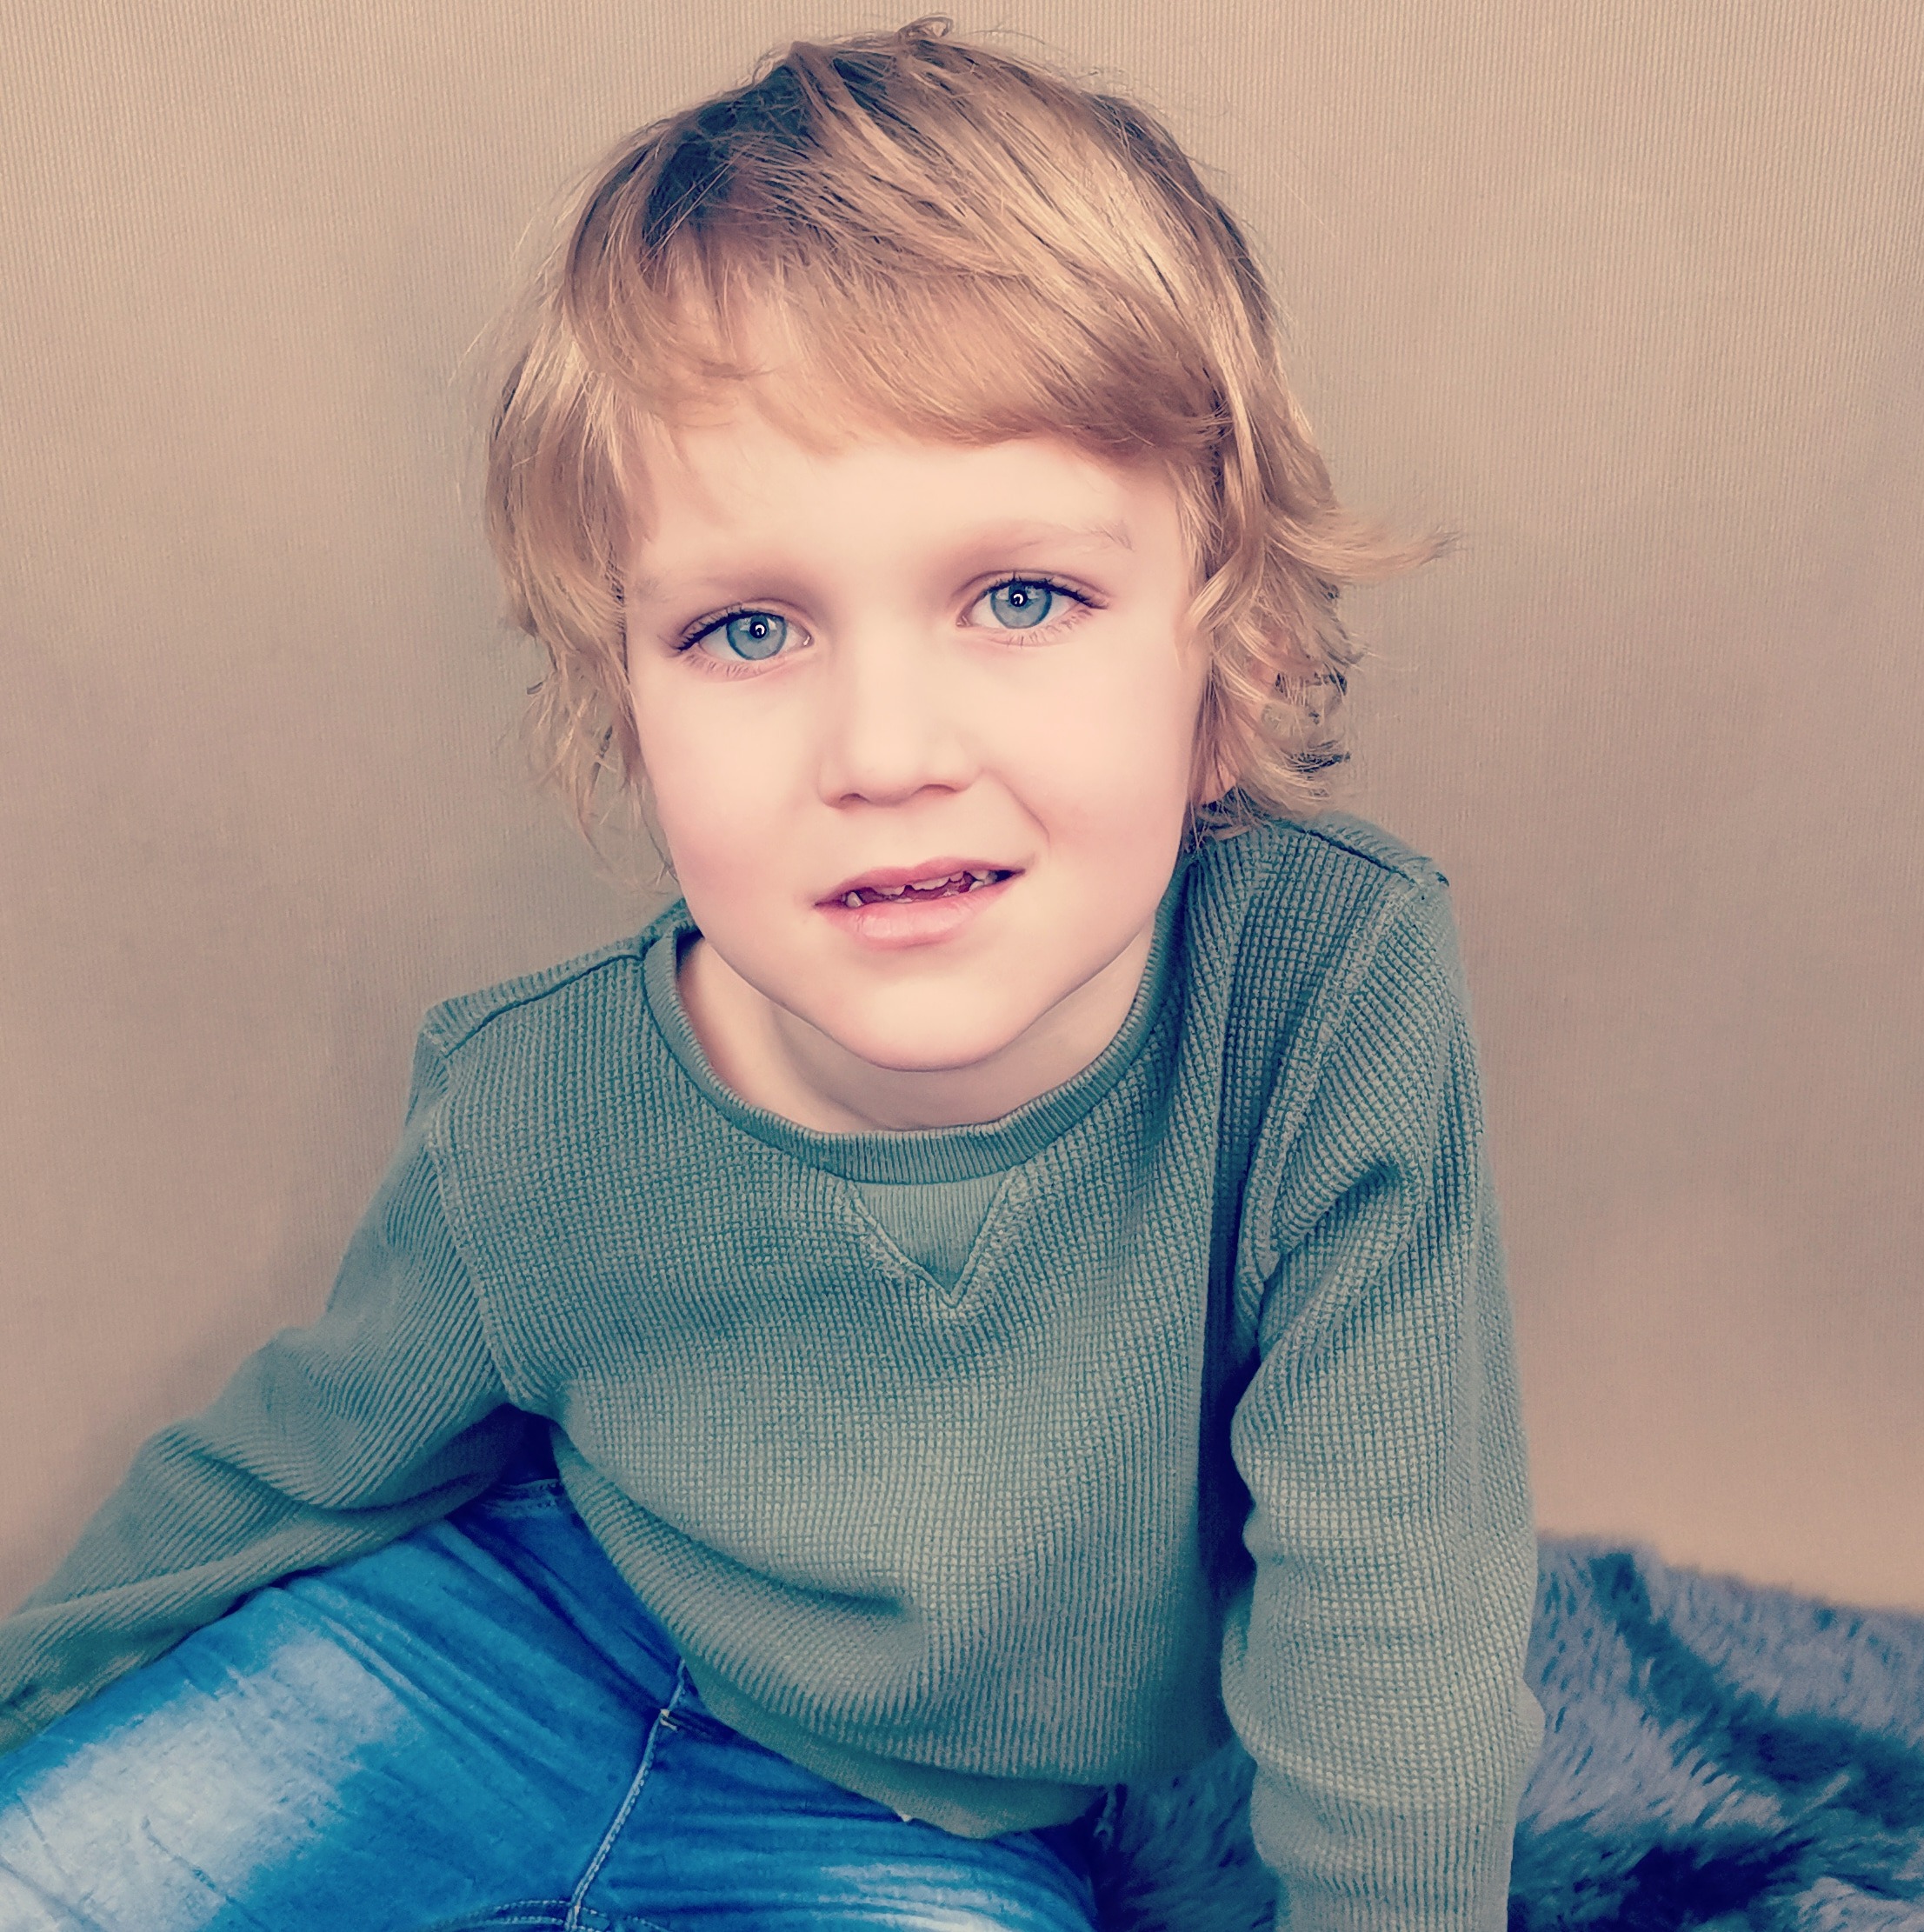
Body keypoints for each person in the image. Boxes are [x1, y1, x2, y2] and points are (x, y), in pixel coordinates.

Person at [0, 18, 1546, 1930]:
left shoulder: (1321, 1001)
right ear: (627, 706)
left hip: (926, 1826)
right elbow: (283, 1469)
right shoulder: (535, 1105)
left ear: (1225, 656)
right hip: (477, 1653)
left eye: (1021, 596)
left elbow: (1398, 1618)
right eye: (749, 629)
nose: (883, 751)